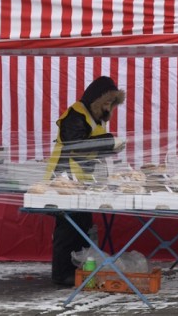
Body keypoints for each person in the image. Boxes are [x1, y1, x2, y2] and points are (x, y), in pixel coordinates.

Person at [44, 76, 126, 286]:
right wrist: (109, 141)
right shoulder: (76, 114)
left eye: (111, 104)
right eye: (106, 102)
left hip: (82, 180)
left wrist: (111, 146)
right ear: (95, 99)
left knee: (83, 225)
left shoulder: (95, 117)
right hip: (64, 178)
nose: (108, 107)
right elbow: (76, 144)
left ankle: (78, 269)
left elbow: (92, 147)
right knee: (68, 227)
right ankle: (62, 273)